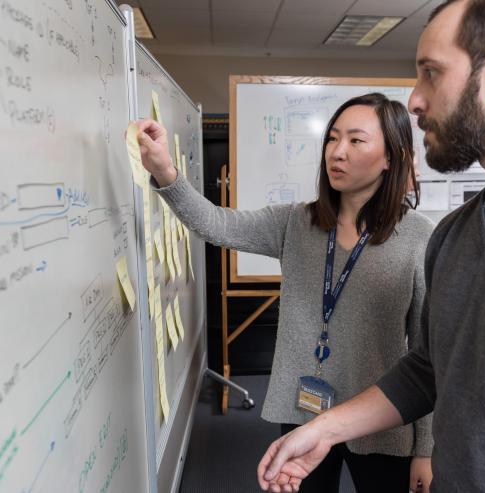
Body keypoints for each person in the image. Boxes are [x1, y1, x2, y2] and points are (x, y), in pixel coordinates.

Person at [257, 0, 485, 492]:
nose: (413, 100)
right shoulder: (454, 234)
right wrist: (324, 428)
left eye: (431, 73)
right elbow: (431, 369)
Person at [133, 93, 435, 492]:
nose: (337, 152)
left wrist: (426, 449)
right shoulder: (297, 222)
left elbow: (428, 352)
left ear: (391, 158)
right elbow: (215, 224)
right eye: (332, 139)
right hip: (304, 409)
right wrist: (166, 172)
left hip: (382, 418)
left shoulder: (419, 237)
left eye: (356, 140)